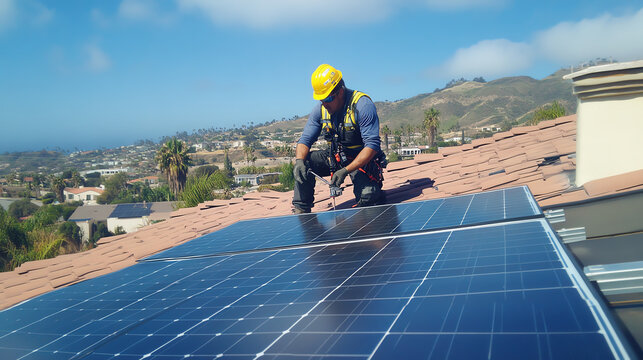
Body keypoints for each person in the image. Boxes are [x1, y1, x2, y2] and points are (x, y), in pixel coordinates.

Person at [292, 64, 386, 214]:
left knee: (368, 196)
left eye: (328, 98)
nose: (324, 103)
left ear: (340, 91)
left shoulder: (362, 105)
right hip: (336, 156)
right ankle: (301, 210)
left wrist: (345, 171)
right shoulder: (321, 109)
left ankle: (372, 194)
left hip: (362, 160)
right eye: (321, 99)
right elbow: (305, 140)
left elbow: (372, 146)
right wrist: (299, 162)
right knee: (305, 162)